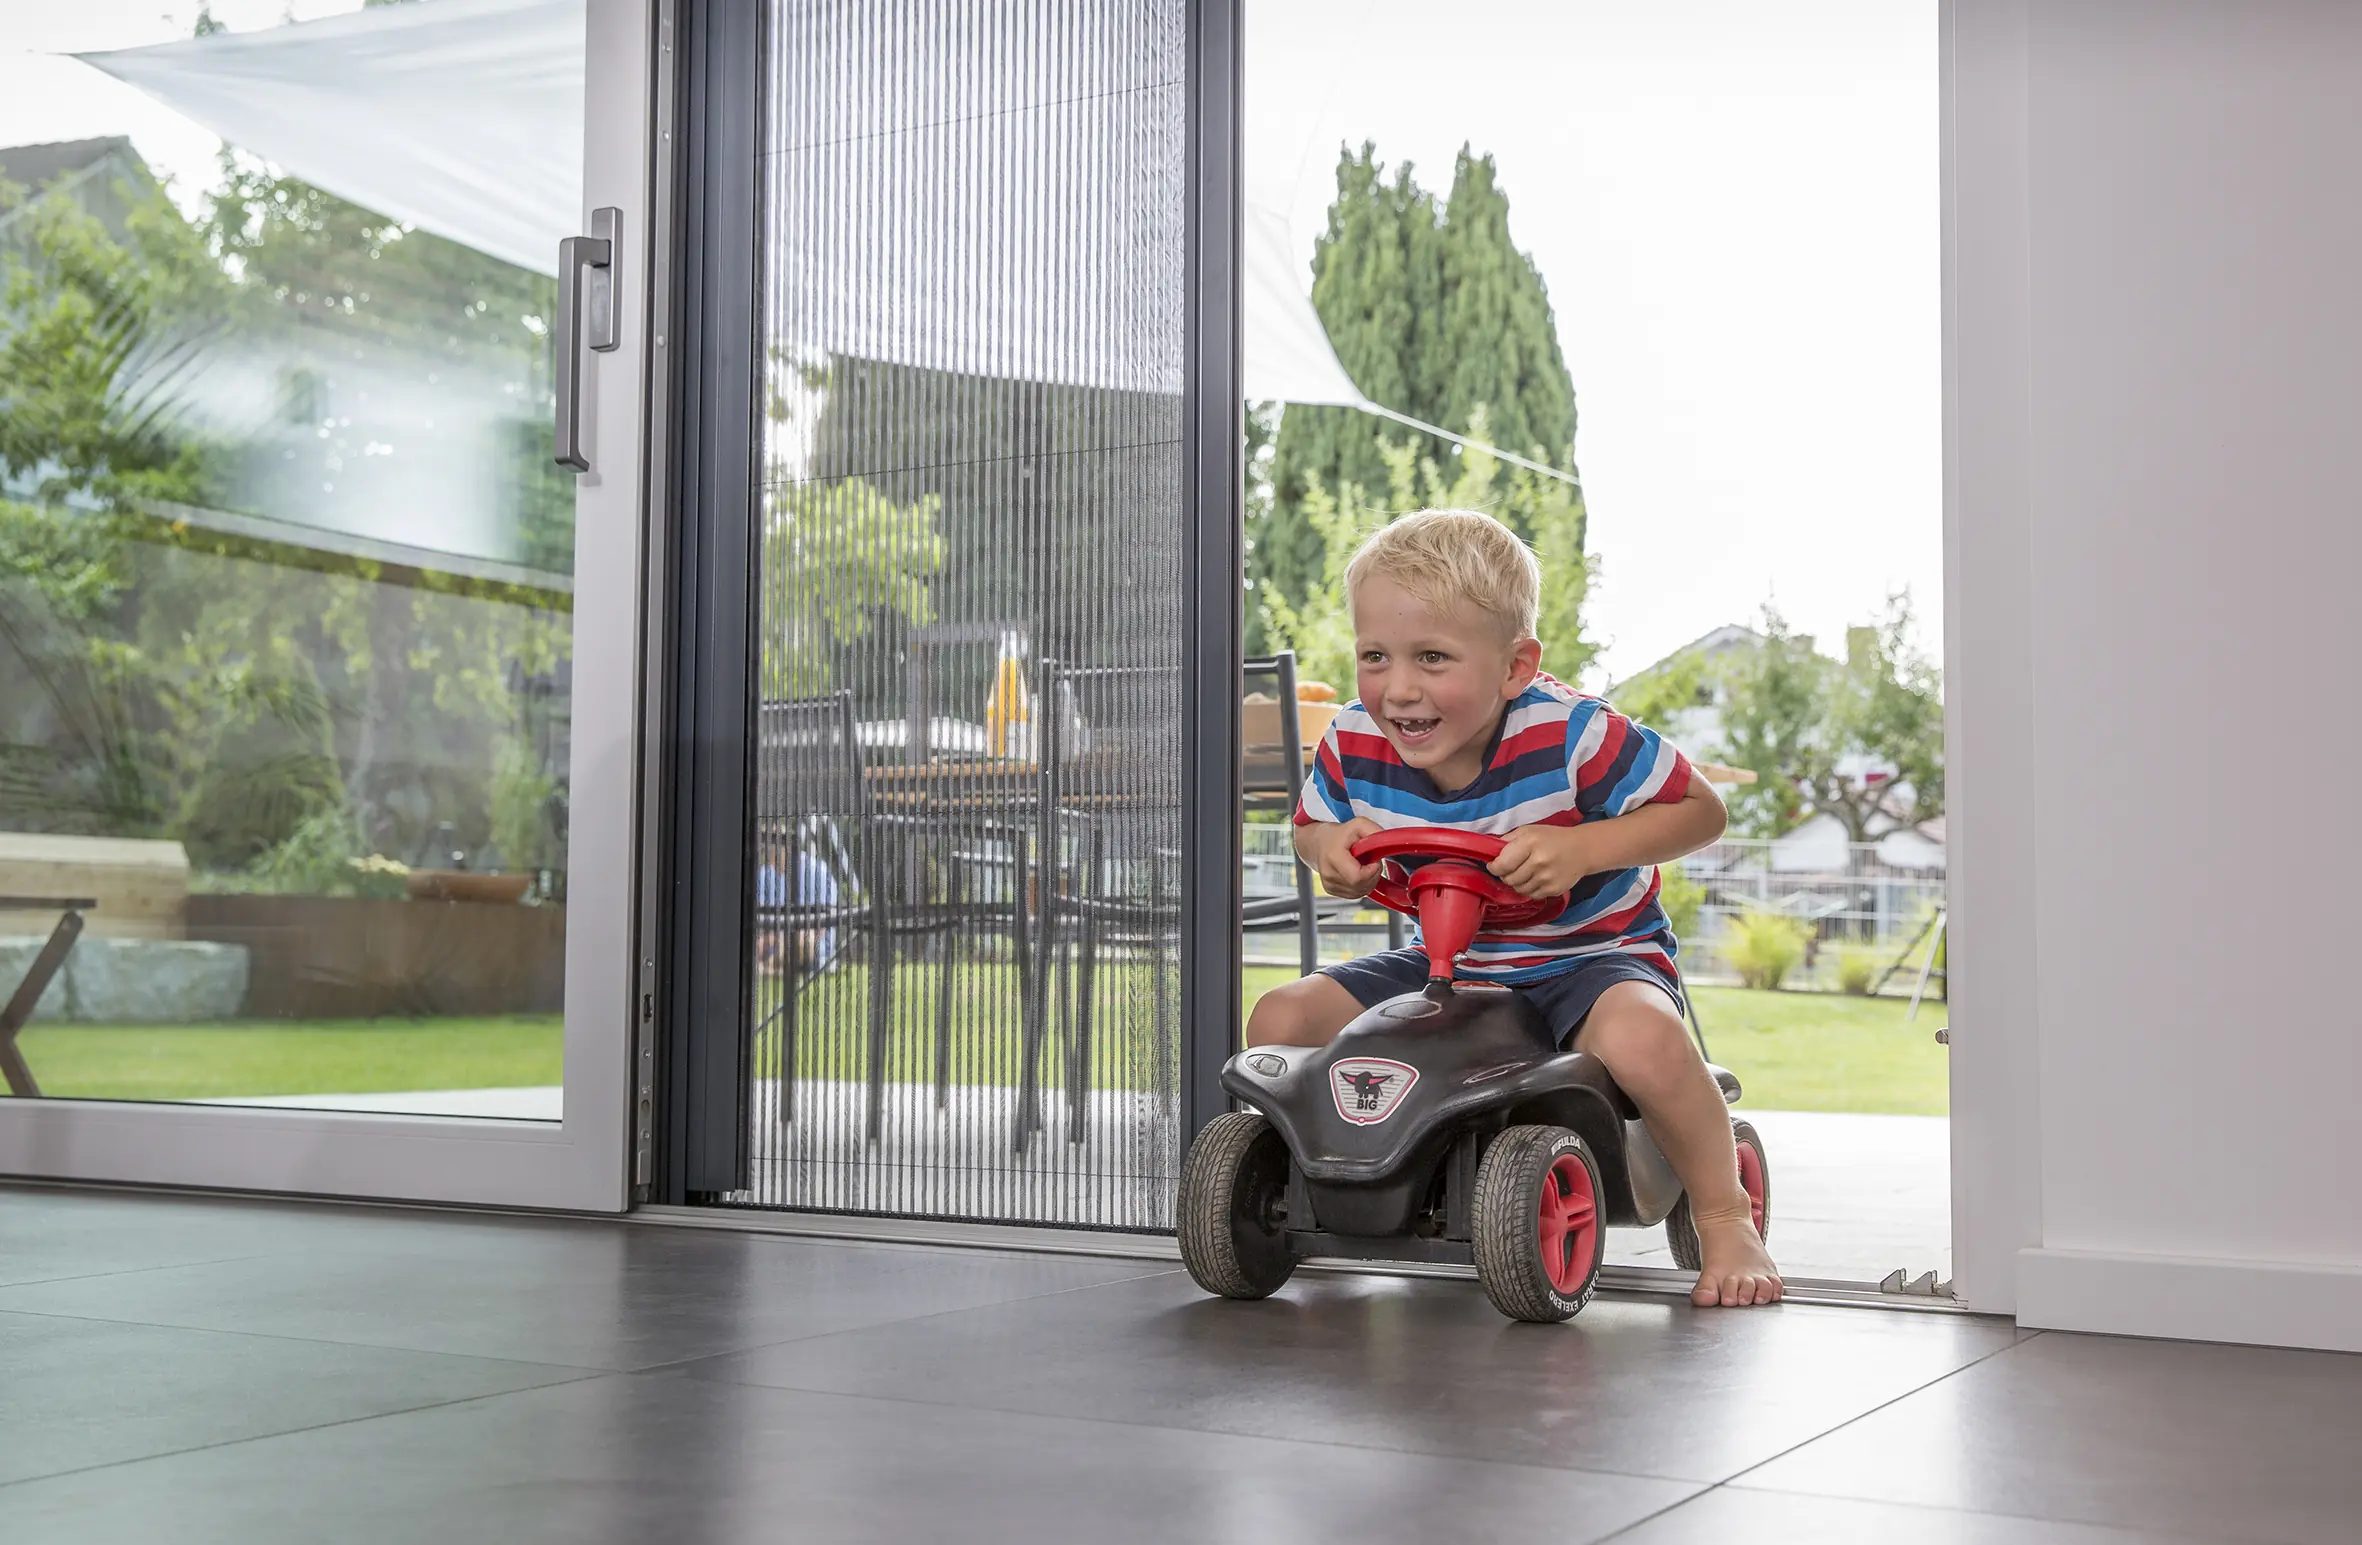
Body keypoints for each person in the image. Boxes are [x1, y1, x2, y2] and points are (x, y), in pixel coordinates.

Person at [1251, 508, 1782, 1308]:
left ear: (1513, 666)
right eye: (1375, 656)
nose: (1399, 688)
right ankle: (1303, 1189)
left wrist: (1583, 849)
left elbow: (1700, 811)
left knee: (1643, 1040)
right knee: (1280, 1020)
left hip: (1589, 956)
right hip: (1451, 964)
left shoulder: (1573, 734)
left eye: (1433, 657)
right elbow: (1307, 825)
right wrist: (1327, 848)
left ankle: (1722, 1210)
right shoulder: (1354, 739)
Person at [755, 836, 841, 976]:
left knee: (801, 940)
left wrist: (779, 937)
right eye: (768, 856)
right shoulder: (765, 874)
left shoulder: (817, 871)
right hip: (772, 939)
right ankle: (770, 967)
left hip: (811, 939)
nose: (772, 864)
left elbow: (820, 927)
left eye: (776, 857)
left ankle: (768, 968)